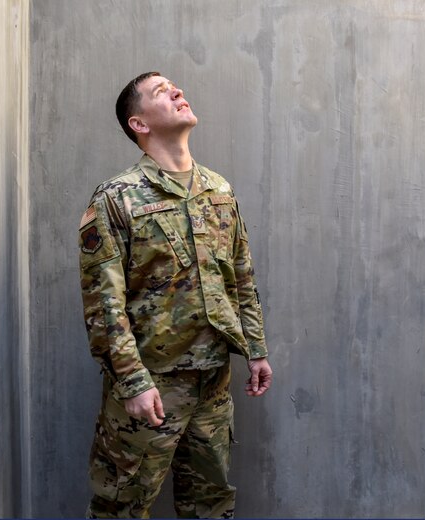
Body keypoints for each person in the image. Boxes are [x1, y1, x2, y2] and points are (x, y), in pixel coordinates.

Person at [78, 71, 272, 519]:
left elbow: (241, 277)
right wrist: (133, 381)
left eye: (175, 87)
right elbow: (103, 303)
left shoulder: (219, 190)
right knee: (121, 508)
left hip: (213, 382)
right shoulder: (117, 198)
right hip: (151, 383)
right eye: (161, 92)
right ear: (139, 123)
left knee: (211, 504)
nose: (178, 92)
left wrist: (256, 349)